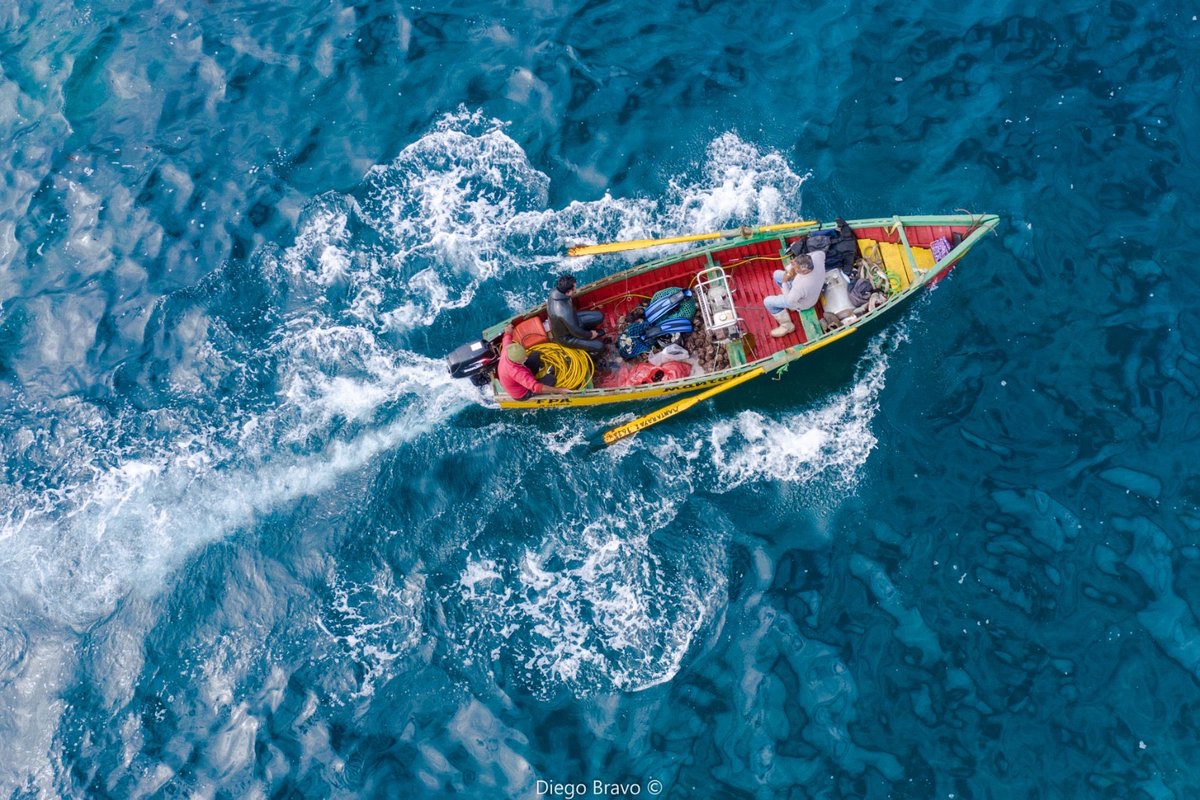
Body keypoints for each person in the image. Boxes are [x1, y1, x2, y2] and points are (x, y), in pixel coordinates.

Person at [763, 243, 826, 337]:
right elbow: (821, 253)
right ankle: (786, 295)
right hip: (810, 291)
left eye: (796, 269)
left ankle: (787, 326)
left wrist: (784, 282)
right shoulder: (817, 257)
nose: (794, 268)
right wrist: (792, 267)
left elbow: (790, 301)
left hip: (802, 303)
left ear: (804, 271)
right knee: (777, 274)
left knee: (768, 302)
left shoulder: (800, 287)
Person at [497, 325, 571, 400]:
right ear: (516, 361)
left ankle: (536, 373)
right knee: (551, 379)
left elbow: (507, 336)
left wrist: (509, 329)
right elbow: (536, 387)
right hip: (523, 392)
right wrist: (560, 390)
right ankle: (547, 374)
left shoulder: (508, 350)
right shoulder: (517, 372)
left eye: (524, 355)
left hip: (521, 372)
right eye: (522, 359)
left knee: (535, 354)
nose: (526, 358)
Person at [547, 274, 605, 356]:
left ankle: (588, 332)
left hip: (573, 321)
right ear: (568, 292)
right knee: (600, 346)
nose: (575, 289)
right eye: (574, 288)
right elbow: (576, 331)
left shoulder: (555, 291)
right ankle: (590, 355)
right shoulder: (564, 311)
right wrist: (590, 335)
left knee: (600, 316)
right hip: (567, 337)